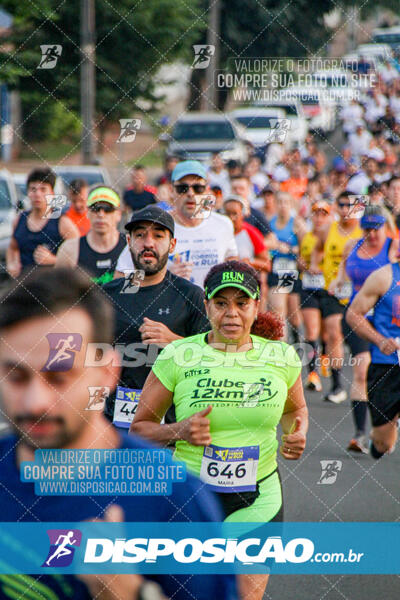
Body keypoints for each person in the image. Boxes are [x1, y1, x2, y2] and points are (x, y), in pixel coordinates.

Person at [0, 267, 237, 600]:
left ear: (108, 373)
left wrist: (137, 594)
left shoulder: (173, 498)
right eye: (16, 376)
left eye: (59, 377)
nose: (35, 402)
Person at [131, 260, 308, 600]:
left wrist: (296, 433)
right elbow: (139, 428)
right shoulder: (180, 354)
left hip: (258, 498)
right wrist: (179, 430)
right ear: (206, 305)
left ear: (256, 306)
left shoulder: (282, 357)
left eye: (242, 303)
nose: (232, 313)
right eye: (221, 303)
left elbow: (295, 409)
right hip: (188, 499)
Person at [102, 205, 210, 427]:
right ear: (128, 241)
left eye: (158, 236)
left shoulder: (190, 295)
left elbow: (215, 358)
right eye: (140, 235)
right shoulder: (107, 295)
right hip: (114, 426)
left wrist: (174, 341)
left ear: (172, 245)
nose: (148, 243)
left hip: (171, 427)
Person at [330, 205, 397, 453]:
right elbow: (342, 271)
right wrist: (338, 282)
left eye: (375, 229)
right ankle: (359, 434)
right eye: (366, 229)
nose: (370, 234)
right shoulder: (353, 247)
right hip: (357, 317)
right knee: (360, 371)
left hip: (386, 322)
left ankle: (385, 426)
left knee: (382, 376)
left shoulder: (392, 247)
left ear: (385, 226)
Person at [115, 160, 238, 287]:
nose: (191, 194)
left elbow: (232, 262)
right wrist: (162, 278)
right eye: (182, 188)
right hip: (167, 306)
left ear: (207, 190)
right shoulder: (154, 227)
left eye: (198, 188)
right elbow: (119, 281)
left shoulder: (223, 224)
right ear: (171, 191)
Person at [346, 259, 400, 460]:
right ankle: (381, 435)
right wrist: (380, 341)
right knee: (383, 444)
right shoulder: (384, 276)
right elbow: (353, 314)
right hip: (387, 366)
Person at [311, 191, 362, 403]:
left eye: (350, 205)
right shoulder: (327, 230)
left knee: (359, 339)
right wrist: (314, 264)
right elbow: (316, 249)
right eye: (341, 205)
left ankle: (366, 380)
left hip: (360, 293)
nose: (345, 209)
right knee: (333, 334)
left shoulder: (364, 231)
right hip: (332, 291)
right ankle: (338, 385)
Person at [6, 168, 79, 277]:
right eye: (33, 189)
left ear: (52, 194)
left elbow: (80, 255)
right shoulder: (19, 220)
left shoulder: (61, 222)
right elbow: (12, 248)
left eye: (43, 189)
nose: (37, 194)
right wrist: (12, 264)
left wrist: (54, 260)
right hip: (24, 287)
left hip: (52, 288)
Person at [56, 185, 127, 284]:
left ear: (118, 214)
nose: (101, 214)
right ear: (88, 213)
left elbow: (136, 293)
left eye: (107, 209)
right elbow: (58, 293)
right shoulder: (69, 250)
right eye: (96, 208)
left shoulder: (130, 248)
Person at [298, 200, 333, 392]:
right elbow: (301, 261)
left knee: (326, 333)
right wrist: (302, 265)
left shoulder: (333, 237)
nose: (319, 218)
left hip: (327, 289)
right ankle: (312, 374)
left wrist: (321, 268)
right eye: (316, 214)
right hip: (308, 287)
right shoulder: (307, 237)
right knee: (311, 332)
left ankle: (325, 357)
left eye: (323, 214)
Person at [268, 192, 306, 342]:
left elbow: (306, 249)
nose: (283, 206)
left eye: (286, 202)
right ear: (276, 205)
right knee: (278, 310)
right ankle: (281, 348)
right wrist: (276, 246)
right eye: (280, 202)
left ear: (291, 205)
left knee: (294, 316)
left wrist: (291, 250)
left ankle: (296, 341)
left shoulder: (297, 223)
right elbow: (265, 245)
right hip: (277, 271)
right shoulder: (270, 223)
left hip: (292, 271)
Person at [223, 195, 270, 272]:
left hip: (246, 280)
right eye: (228, 214)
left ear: (242, 214)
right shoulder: (219, 232)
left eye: (235, 214)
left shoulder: (251, 232)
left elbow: (267, 264)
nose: (231, 218)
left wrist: (249, 262)